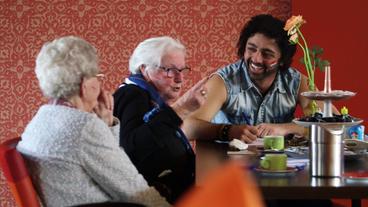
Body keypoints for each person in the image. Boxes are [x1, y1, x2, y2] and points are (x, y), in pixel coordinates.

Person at [16, 36, 170, 207]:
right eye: (97, 76)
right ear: (84, 85)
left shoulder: (41, 120)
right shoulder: (82, 126)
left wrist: (107, 125)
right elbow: (134, 189)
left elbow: (107, 166)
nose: (99, 84)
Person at [184, 14, 338, 143]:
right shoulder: (223, 81)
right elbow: (187, 128)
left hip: (278, 166)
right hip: (225, 166)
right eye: (251, 49)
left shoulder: (297, 82)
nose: (256, 59)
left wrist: (285, 128)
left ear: (282, 59)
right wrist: (228, 131)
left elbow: (334, 124)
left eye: (267, 54)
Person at [113, 36, 207, 203]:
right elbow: (132, 150)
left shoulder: (150, 97)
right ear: (144, 69)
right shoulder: (132, 94)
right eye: (169, 70)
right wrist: (181, 109)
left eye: (182, 70)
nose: (180, 79)